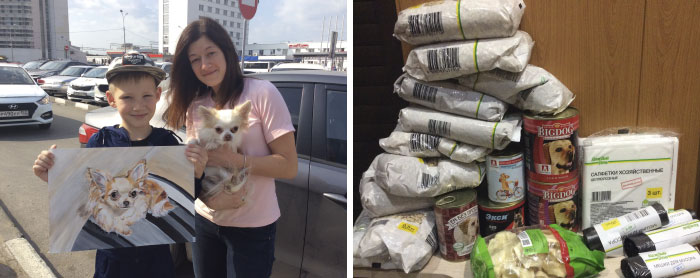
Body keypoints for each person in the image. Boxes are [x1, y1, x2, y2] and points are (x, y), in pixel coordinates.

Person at [32, 53, 192, 278]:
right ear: (111, 99)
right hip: (112, 260)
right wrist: (52, 177)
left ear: (158, 95)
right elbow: (82, 190)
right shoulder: (101, 141)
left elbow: (189, 195)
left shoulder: (168, 143)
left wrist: (199, 168)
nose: (138, 105)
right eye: (127, 97)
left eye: (146, 95)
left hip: (157, 258)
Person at [164, 17, 298, 277]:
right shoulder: (197, 105)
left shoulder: (261, 93)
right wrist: (207, 198)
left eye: (210, 53)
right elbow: (195, 167)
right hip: (205, 220)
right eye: (194, 59)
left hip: (253, 227)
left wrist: (234, 160)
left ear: (227, 51)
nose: (204, 64)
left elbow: (289, 166)